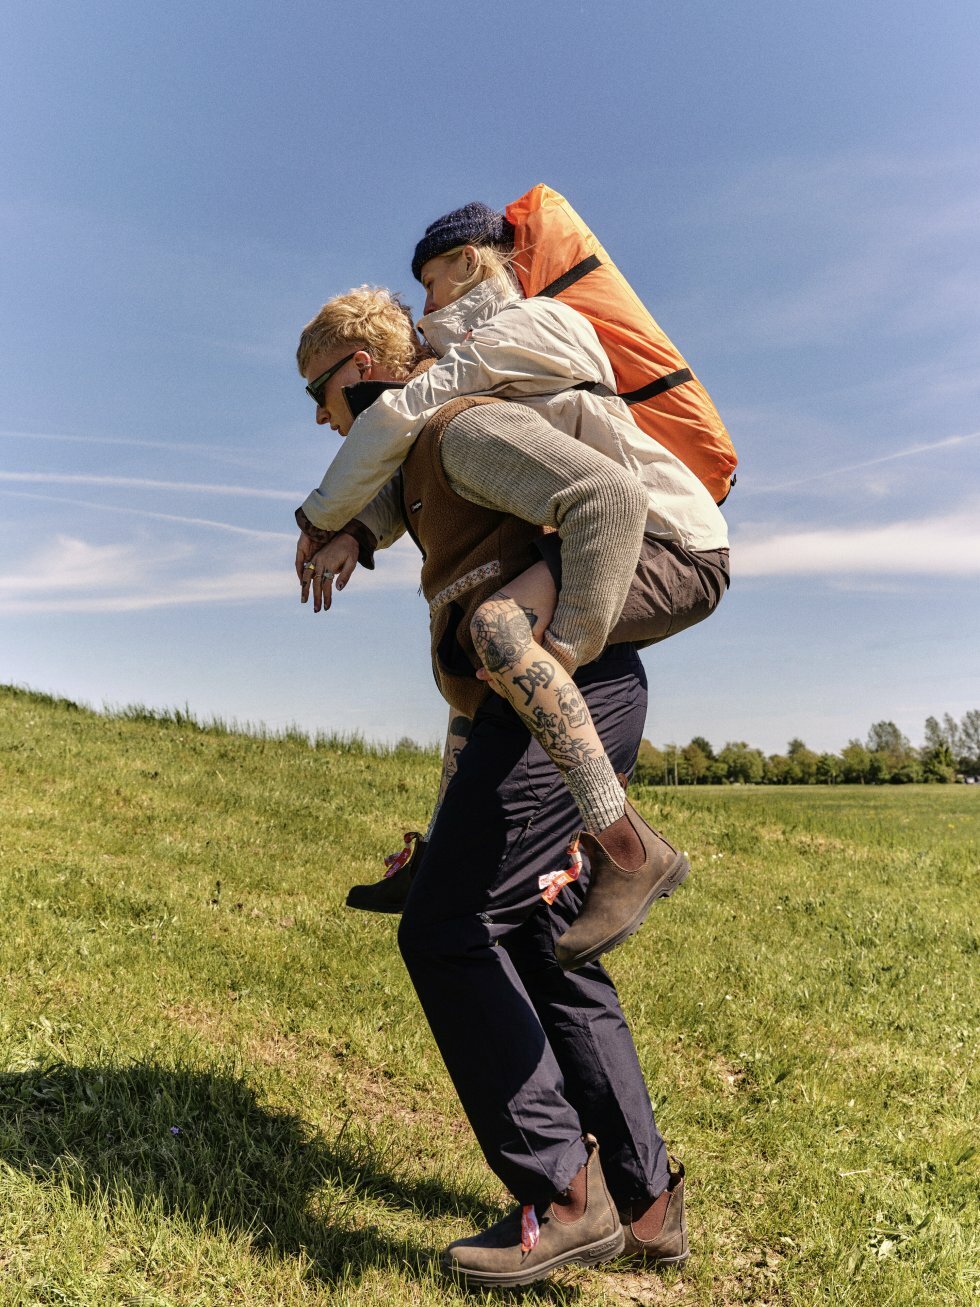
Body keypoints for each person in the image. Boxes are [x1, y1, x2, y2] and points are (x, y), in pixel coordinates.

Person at [292, 287, 693, 1284]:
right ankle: (645, 1207)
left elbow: (607, 497)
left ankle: (563, 1193)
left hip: (569, 690)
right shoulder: (426, 464)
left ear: (362, 368)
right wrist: (360, 531)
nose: (314, 415)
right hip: (557, 702)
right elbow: (399, 489)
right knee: (537, 940)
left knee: (447, 927)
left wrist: (557, 658)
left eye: (316, 389)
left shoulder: (461, 428)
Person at [298, 204, 729, 968]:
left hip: (664, 537)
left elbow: (413, 415)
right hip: (610, 532)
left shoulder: (533, 326)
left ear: (469, 264)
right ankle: (445, 851)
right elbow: (422, 453)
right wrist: (358, 532)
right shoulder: (475, 352)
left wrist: (319, 514)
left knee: (502, 636)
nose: (424, 307)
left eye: (430, 285)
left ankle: (627, 848)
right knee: (477, 666)